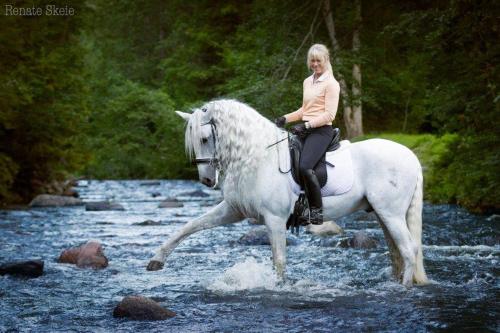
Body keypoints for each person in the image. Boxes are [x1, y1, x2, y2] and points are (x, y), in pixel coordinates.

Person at [275, 43, 340, 225]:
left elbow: (329, 114)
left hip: (321, 131)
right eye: (312, 61)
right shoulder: (307, 81)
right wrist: (285, 119)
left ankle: (316, 211)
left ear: (326, 60)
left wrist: (306, 126)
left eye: (318, 61)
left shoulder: (332, 84)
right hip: (307, 128)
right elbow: (305, 110)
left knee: (304, 167)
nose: (315, 64)